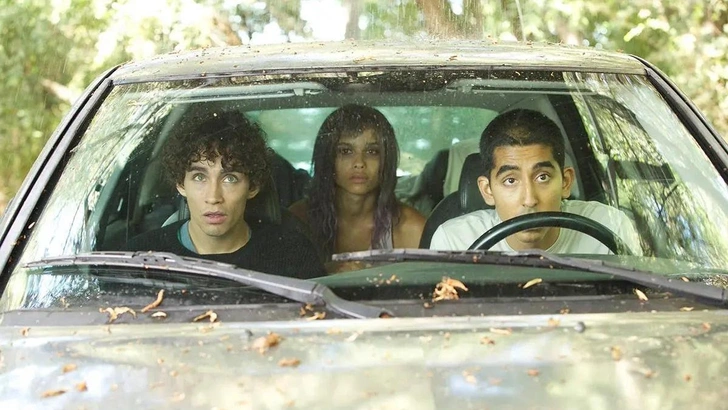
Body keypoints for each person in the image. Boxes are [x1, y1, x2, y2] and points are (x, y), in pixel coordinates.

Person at [125, 110, 324, 279]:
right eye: (199, 177)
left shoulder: (292, 256)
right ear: (181, 184)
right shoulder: (138, 259)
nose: (213, 197)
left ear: (252, 186)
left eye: (230, 178)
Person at [430, 109, 641, 254]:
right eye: (510, 180)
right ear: (487, 191)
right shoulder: (455, 242)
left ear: (566, 182)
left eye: (542, 177)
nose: (529, 200)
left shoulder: (610, 227)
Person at [289, 104, 426, 261]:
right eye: (345, 151)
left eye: (372, 152)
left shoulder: (413, 229)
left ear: (386, 160)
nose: (359, 163)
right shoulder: (297, 221)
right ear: (327, 158)